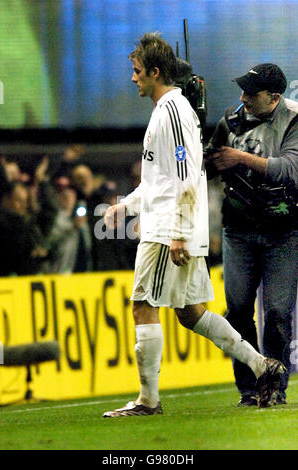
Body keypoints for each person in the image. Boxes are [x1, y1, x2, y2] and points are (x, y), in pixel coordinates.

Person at [103, 36, 285, 417]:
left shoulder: (172, 111)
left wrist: (180, 232)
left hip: (168, 229)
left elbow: (187, 174)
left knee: (142, 306)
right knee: (190, 313)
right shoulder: (165, 111)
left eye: (137, 71)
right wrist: (127, 206)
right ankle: (261, 366)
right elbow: (160, 180)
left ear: (155, 72)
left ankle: (148, 401)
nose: (133, 79)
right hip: (172, 224)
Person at [205, 63, 298, 406]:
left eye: (251, 93)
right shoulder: (230, 119)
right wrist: (210, 156)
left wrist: (238, 157)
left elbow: (290, 170)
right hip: (238, 230)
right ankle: (248, 388)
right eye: (242, 90)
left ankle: (276, 388)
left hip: (283, 231)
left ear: (274, 98)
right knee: (239, 309)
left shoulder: (293, 120)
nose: (242, 98)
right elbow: (209, 163)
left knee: (276, 312)